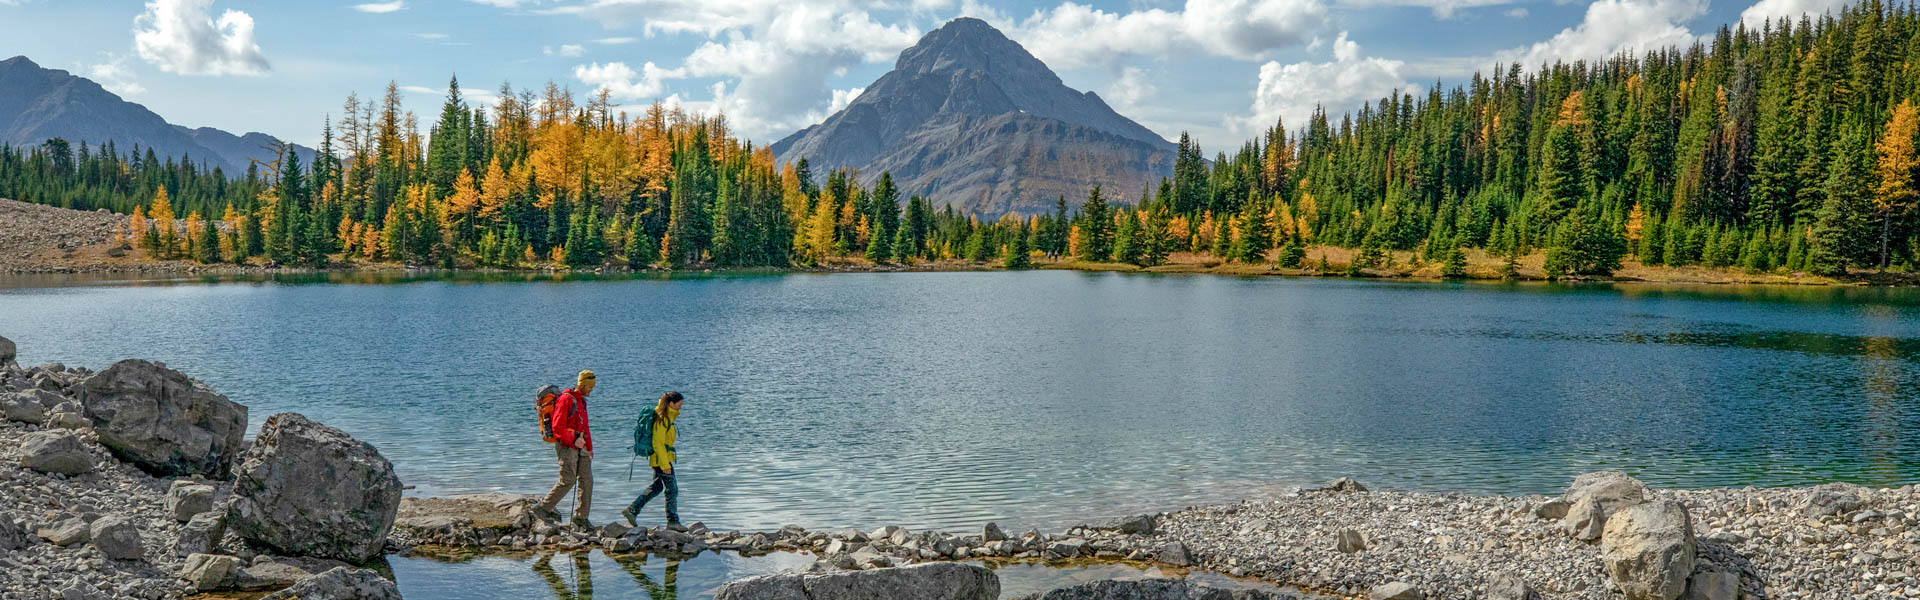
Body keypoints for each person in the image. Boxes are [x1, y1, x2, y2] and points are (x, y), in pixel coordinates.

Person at [537, 370, 596, 529]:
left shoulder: (582, 401)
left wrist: (589, 448)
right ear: (582, 385)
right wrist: (573, 441)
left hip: (581, 445)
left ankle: (581, 518)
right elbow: (557, 428)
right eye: (590, 387)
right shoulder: (565, 400)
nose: (591, 390)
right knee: (568, 480)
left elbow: (586, 427)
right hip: (566, 446)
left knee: (587, 481)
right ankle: (543, 508)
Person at [622, 391, 682, 527]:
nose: (680, 408)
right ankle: (673, 521)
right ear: (671, 403)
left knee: (657, 486)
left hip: (661, 459)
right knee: (672, 489)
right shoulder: (662, 418)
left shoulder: (666, 417)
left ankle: (632, 510)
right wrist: (665, 464)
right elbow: (658, 443)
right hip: (661, 460)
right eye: (679, 405)